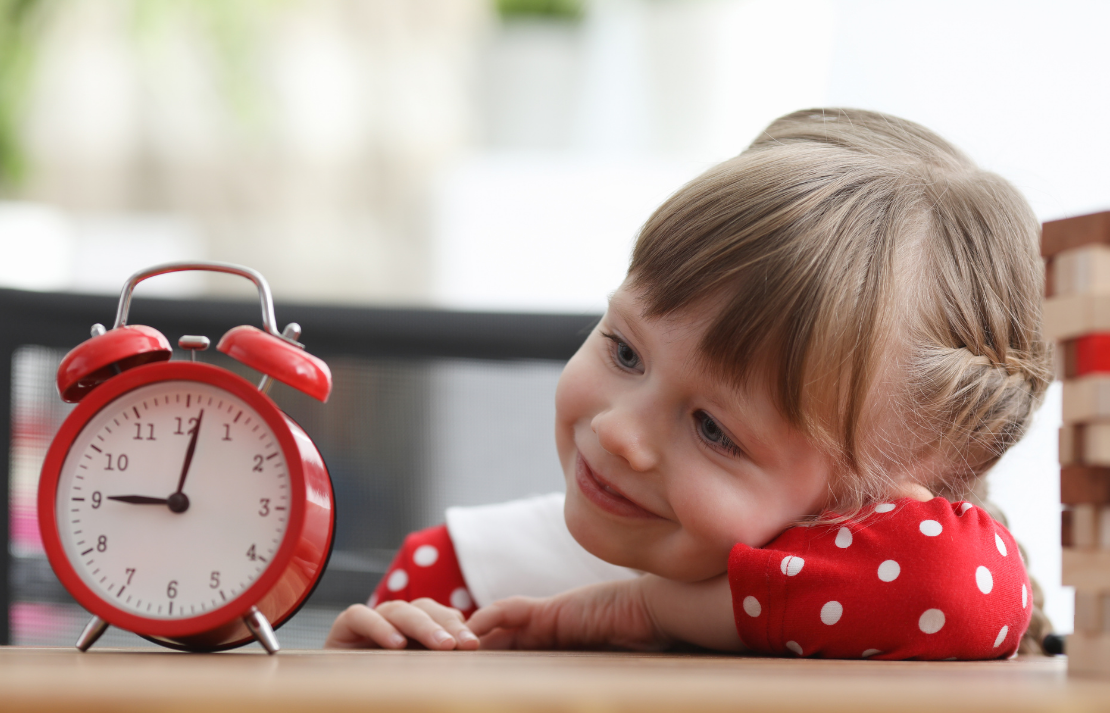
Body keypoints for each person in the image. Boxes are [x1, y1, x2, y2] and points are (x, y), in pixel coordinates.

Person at [325, 108, 1053, 659]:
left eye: (714, 429)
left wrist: (644, 609)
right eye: (624, 351)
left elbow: (949, 581)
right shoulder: (464, 571)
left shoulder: (896, 616)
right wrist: (339, 711)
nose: (617, 430)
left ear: (861, 503)